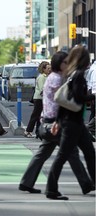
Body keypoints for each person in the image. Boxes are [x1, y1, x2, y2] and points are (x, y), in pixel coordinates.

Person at [19, 51, 95, 196]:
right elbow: (62, 101)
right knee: (71, 153)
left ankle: (26, 182)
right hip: (55, 123)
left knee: (42, 154)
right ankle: (85, 184)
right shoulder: (57, 79)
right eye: (65, 62)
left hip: (48, 122)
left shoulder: (54, 78)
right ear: (59, 64)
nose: (68, 64)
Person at [46, 45, 96, 200]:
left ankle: (91, 183)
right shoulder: (78, 75)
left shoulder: (70, 74)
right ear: (84, 59)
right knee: (63, 156)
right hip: (72, 124)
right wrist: (92, 96)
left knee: (90, 153)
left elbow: (64, 100)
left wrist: (58, 121)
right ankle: (51, 189)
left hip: (74, 122)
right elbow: (77, 98)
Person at [24, 61, 51, 138]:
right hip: (39, 98)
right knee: (35, 115)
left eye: (50, 68)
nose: (49, 70)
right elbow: (43, 89)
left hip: (42, 98)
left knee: (40, 116)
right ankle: (28, 131)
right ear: (43, 69)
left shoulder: (46, 76)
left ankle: (38, 132)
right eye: (48, 68)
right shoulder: (42, 77)